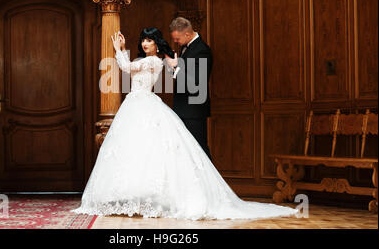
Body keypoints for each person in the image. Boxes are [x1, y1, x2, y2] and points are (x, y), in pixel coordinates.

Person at [71, 27, 298, 220]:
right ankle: (136, 198)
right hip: (135, 104)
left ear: (157, 44)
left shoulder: (153, 61)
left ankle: (150, 201)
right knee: (137, 152)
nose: (145, 43)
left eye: (149, 39)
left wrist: (119, 50)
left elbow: (126, 68)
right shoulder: (147, 59)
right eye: (143, 39)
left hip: (143, 104)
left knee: (150, 150)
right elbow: (130, 68)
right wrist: (121, 51)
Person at [164, 17, 213, 160]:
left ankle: (208, 182)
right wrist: (172, 68)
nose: (175, 42)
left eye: (177, 38)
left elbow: (197, 82)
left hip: (194, 111)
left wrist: (176, 66)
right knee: (186, 152)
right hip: (183, 109)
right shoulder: (186, 48)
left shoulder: (202, 50)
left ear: (187, 34)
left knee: (200, 150)